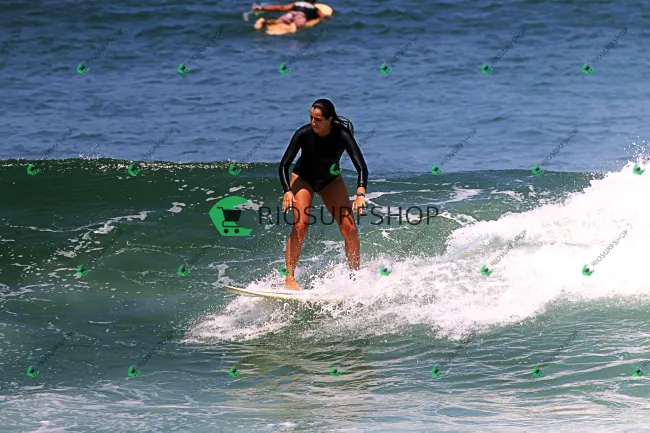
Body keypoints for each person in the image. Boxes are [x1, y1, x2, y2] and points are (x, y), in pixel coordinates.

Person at [278, 99, 369, 290]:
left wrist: (360, 193)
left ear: (329, 119)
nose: (313, 122)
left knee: (350, 229)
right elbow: (284, 165)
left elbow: (361, 166)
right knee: (300, 225)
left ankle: (354, 277)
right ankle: (289, 278)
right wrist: (287, 191)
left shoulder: (342, 135)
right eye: (311, 118)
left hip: (331, 181)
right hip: (303, 179)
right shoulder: (303, 134)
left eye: (318, 119)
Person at [253, 1, 328, 31]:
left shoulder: (296, 3)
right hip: (301, 17)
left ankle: (264, 22)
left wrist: (262, 8)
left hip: (291, 14)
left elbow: (280, 8)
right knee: (298, 26)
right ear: (315, 2)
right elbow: (323, 17)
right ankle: (293, 25)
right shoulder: (315, 8)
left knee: (277, 22)